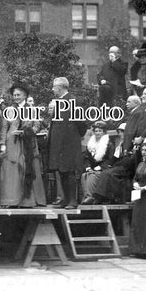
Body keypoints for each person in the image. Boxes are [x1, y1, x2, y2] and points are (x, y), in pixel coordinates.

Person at [0, 83, 46, 207]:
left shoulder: (32, 109)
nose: (16, 97)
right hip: (12, 143)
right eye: (14, 95)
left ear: (25, 95)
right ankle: (12, 200)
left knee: (28, 168)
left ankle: (28, 201)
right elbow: (4, 128)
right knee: (12, 170)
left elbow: (37, 125)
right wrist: (2, 144)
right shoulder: (9, 110)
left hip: (27, 142)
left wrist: (29, 132)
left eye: (18, 94)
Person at [48, 77, 86, 209]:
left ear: (61, 87)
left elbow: (82, 123)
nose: (52, 89)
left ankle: (72, 201)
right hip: (58, 143)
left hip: (69, 142)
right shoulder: (57, 102)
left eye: (54, 87)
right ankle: (65, 199)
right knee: (61, 171)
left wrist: (75, 137)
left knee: (69, 171)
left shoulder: (73, 100)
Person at [80, 121, 114, 204]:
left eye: (100, 131)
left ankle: (90, 197)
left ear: (104, 132)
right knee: (84, 175)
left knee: (92, 176)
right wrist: (88, 167)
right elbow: (86, 158)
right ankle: (88, 196)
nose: (98, 133)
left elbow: (110, 159)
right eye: (96, 131)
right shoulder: (90, 143)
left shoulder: (108, 144)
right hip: (92, 168)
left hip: (104, 169)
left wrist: (100, 167)